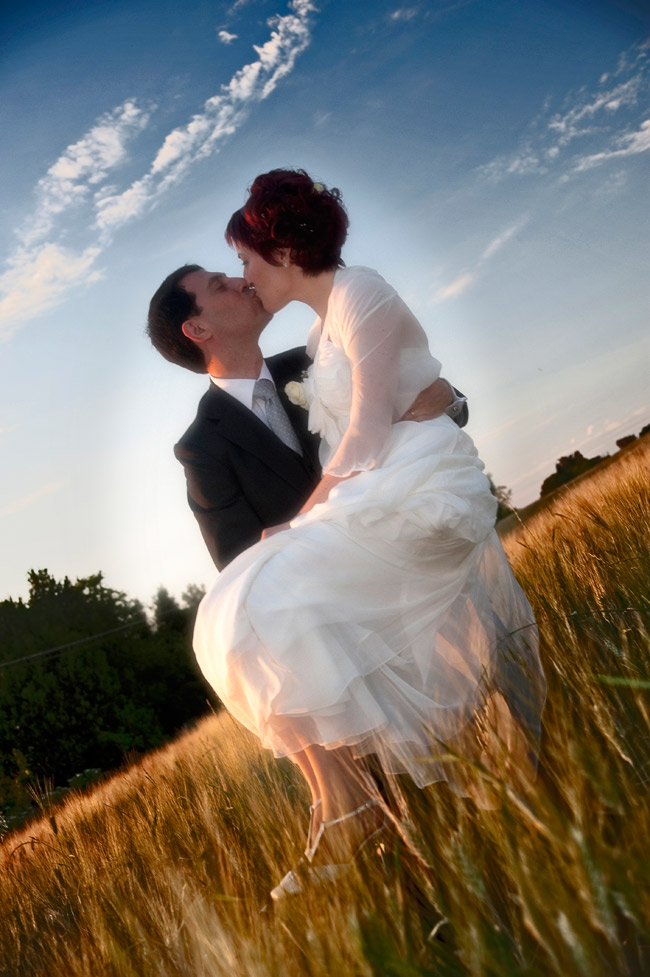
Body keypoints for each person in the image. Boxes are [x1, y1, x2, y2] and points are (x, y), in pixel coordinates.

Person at [193, 169, 546, 901]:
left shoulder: (354, 301)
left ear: (284, 248)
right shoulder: (280, 371)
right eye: (225, 280)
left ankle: (357, 810)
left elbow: (377, 418)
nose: (243, 277)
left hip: (404, 486)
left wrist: (305, 517)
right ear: (196, 330)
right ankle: (339, 799)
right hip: (365, 493)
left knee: (259, 595)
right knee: (232, 609)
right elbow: (371, 406)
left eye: (245, 262)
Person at [147, 266, 468, 569]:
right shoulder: (201, 449)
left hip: (422, 548)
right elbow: (243, 565)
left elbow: (445, 406)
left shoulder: (315, 358)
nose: (242, 280)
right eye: (220, 286)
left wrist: (446, 399)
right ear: (198, 329)